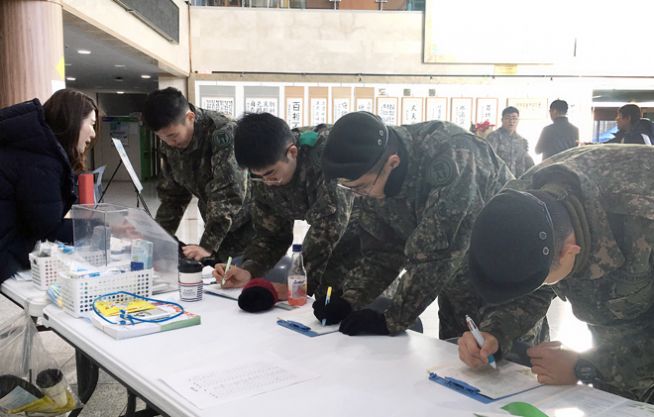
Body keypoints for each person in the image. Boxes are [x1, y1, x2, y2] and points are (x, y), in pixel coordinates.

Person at [459, 145, 654, 403]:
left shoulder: (642, 216)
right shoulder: (519, 204)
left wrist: (585, 367)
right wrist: (494, 332)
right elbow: (530, 283)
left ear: (570, 251)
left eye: (547, 278)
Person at [314, 111, 521, 339]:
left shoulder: (453, 154)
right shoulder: (377, 176)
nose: (359, 195)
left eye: (361, 187)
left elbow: (436, 253)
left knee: (505, 367)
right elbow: (382, 251)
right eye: (350, 189)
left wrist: (391, 319)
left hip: (506, 286)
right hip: (454, 285)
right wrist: (349, 300)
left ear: (392, 163)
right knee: (455, 360)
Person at [214, 113, 358, 299]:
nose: (267, 182)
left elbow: (329, 230)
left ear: (292, 152)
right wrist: (248, 271)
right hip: (335, 234)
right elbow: (272, 235)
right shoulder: (264, 173)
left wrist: (296, 285)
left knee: (346, 300)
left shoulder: (326, 158)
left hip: (368, 232)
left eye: (271, 173)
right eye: (258, 176)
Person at [143, 87, 252, 263]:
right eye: (162, 138)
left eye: (173, 135)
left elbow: (229, 194)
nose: (170, 143)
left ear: (190, 118)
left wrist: (207, 245)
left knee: (246, 279)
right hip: (216, 225)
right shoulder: (169, 145)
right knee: (217, 278)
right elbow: (173, 197)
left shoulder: (222, 132)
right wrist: (159, 239)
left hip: (250, 224)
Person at [0, 89, 97, 282]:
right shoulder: (41, 160)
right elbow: (48, 227)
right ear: (74, 121)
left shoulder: (32, 148)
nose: (93, 134)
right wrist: (100, 227)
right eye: (92, 124)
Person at [485, 107, 534, 177]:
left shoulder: (522, 141)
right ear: (502, 120)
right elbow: (488, 160)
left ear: (518, 120)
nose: (511, 121)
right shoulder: (493, 137)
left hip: (516, 181)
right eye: (508, 118)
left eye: (514, 118)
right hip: (498, 180)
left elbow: (525, 162)